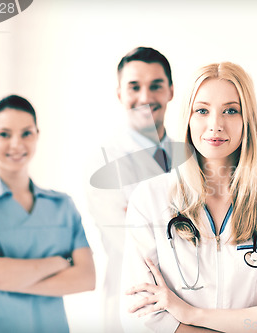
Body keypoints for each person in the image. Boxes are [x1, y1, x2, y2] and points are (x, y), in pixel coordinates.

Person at [120, 62, 257, 333]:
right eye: (202, 110)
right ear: (188, 118)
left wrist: (190, 313)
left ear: (247, 119)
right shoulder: (150, 199)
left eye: (230, 110)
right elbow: (141, 316)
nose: (215, 124)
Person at [0, 95, 96, 332]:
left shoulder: (62, 204)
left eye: (26, 133)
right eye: (4, 134)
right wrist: (58, 263)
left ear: (37, 135)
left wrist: (8, 278)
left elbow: (86, 278)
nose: (16, 144)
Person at [86, 46, 176, 332]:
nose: (145, 97)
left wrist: (147, 221)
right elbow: (128, 242)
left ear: (171, 91)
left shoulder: (195, 157)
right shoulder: (103, 162)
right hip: (132, 305)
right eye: (134, 87)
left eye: (156, 86)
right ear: (119, 94)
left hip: (191, 304)